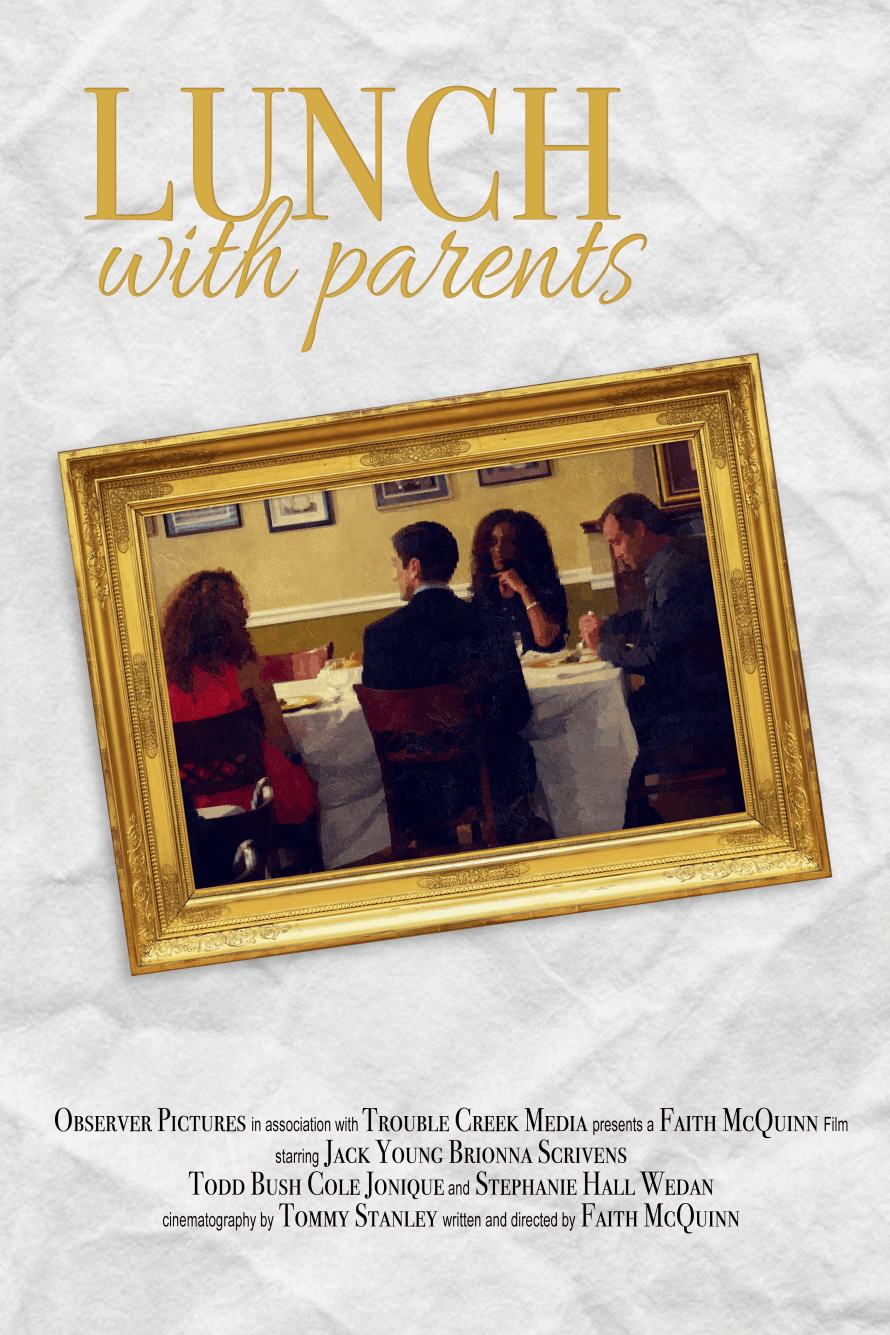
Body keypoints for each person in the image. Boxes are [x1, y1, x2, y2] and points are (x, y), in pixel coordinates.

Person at [361, 521, 542, 845]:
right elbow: (517, 709)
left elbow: (385, 727)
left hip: (416, 790)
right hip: (489, 779)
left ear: (413, 568)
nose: (395, 576)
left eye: (396, 567)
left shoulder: (379, 636)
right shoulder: (489, 622)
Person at [578, 493, 741, 828]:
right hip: (691, 697)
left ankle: (632, 824)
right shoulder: (673, 559)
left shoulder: (676, 573)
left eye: (618, 542)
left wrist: (602, 650)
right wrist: (610, 626)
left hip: (697, 710)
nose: (617, 553)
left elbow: (654, 657)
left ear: (639, 531)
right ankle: (633, 817)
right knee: (615, 717)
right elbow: (659, 625)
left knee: (608, 728)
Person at [161, 569, 320, 867]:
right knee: (305, 778)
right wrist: (299, 763)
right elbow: (279, 736)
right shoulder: (250, 671)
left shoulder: (161, 684)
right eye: (240, 604)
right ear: (230, 619)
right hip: (258, 800)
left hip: (192, 808)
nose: (247, 612)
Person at [470, 509, 568, 654]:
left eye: (508, 542)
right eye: (493, 542)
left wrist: (523, 591)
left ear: (524, 547)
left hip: (549, 668)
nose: (498, 549)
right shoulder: (485, 590)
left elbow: (545, 641)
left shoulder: (548, 587)